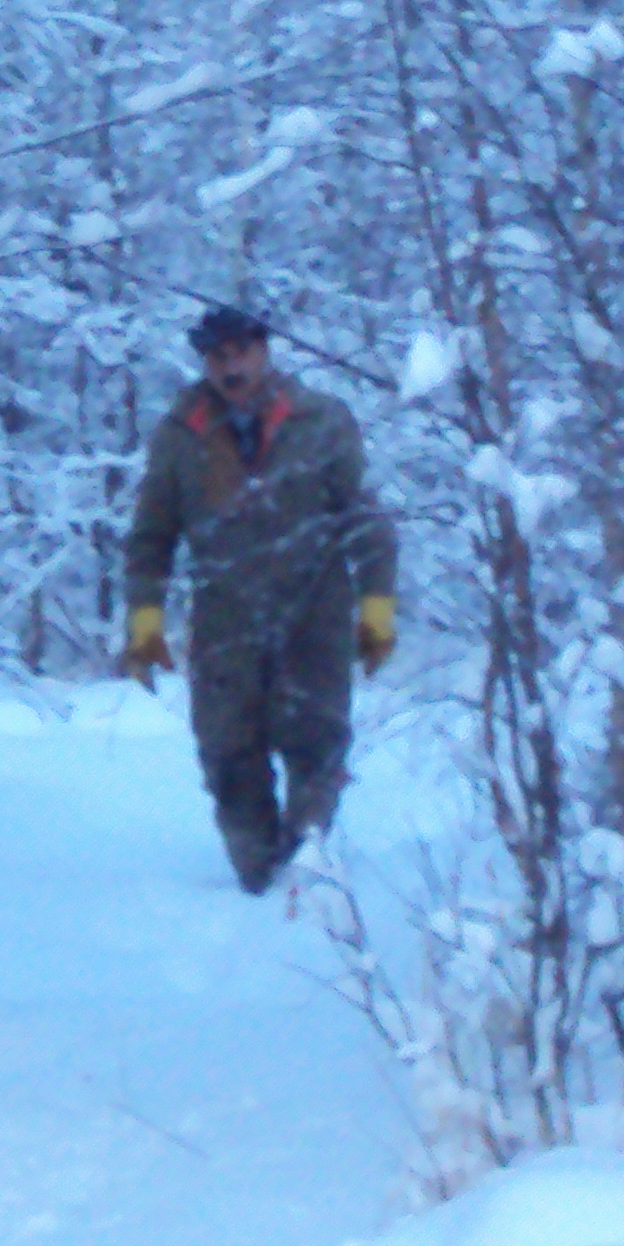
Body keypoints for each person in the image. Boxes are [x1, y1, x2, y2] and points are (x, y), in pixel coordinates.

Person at [119, 304, 398, 892]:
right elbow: (153, 533)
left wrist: (376, 602)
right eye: (217, 357)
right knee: (227, 757)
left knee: (316, 751)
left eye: (240, 352)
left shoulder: (320, 421)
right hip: (225, 622)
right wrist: (145, 616)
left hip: (313, 615)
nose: (231, 368)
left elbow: (364, 519)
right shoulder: (181, 435)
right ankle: (256, 880)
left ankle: (303, 878)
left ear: (264, 351)